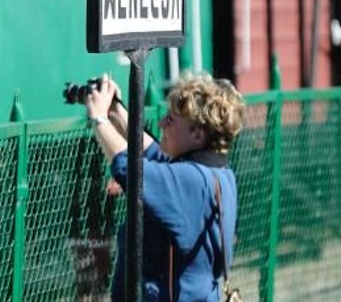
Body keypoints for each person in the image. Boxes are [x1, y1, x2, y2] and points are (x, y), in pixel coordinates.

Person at [85, 73, 245, 302]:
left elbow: (129, 168)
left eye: (170, 120)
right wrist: (116, 111)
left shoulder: (190, 181)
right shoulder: (219, 174)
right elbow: (156, 156)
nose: (161, 124)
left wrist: (99, 119)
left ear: (197, 134)